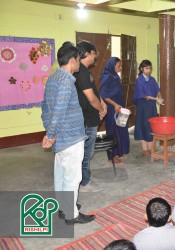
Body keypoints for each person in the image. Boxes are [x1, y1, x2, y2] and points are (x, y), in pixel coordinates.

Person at [41, 44, 95, 224]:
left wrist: (49, 132)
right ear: (73, 60)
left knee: (61, 174)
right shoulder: (65, 81)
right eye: (79, 60)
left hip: (60, 137)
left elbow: (45, 107)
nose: (80, 63)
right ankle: (71, 215)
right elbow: (58, 110)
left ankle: (65, 207)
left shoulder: (53, 78)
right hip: (70, 137)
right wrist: (51, 134)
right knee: (73, 176)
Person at [75, 40, 107, 193]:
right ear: (87, 53)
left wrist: (102, 103)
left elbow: (94, 91)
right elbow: (90, 98)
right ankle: (84, 182)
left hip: (90, 117)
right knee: (86, 153)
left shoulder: (85, 71)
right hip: (86, 119)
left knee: (88, 152)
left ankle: (84, 178)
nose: (95, 57)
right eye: (94, 54)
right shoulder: (80, 71)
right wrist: (101, 109)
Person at [100, 57, 130, 165]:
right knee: (112, 131)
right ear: (112, 66)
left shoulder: (115, 76)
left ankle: (119, 152)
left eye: (121, 66)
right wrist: (115, 105)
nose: (121, 68)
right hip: (112, 107)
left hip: (119, 106)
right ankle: (112, 157)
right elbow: (103, 95)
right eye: (119, 66)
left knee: (120, 128)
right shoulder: (107, 76)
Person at [133, 60, 164, 157]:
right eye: (146, 68)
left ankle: (151, 148)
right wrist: (156, 99)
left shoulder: (152, 79)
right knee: (143, 125)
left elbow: (157, 90)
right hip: (143, 106)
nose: (149, 70)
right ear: (142, 69)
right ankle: (145, 149)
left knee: (151, 125)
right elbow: (144, 95)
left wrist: (160, 97)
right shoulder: (139, 81)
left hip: (151, 106)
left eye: (150, 68)